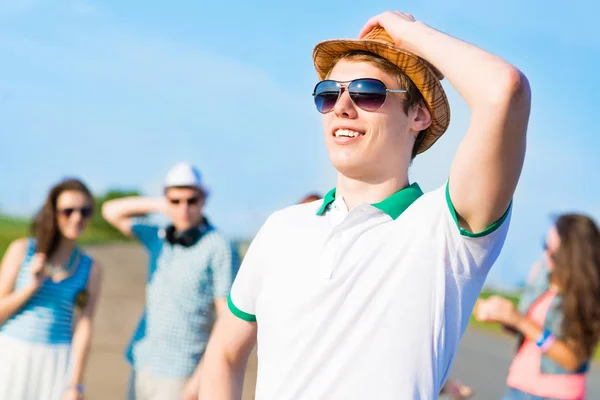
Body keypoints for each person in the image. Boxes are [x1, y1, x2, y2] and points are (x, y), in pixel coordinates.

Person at [199, 10, 530, 399]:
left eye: (366, 92)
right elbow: (223, 353)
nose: (342, 106)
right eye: (328, 94)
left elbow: (503, 89)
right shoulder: (281, 228)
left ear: (418, 115)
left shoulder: (447, 227)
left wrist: (409, 33)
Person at [102, 162, 239, 400]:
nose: (183, 209)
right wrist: (161, 205)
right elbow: (111, 211)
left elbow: (226, 321)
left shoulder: (219, 246)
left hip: (183, 371)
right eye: (176, 201)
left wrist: (199, 381)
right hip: (142, 362)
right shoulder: (159, 237)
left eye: (191, 201)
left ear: (203, 200)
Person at [475, 214, 600, 400]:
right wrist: (506, 318)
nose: (545, 254)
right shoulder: (540, 274)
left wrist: (520, 321)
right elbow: (529, 331)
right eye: (545, 244)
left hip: (557, 394)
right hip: (518, 385)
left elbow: (572, 360)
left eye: (552, 250)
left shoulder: (587, 295)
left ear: (572, 256)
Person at [0, 178, 103, 400]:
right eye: (68, 211)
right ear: (53, 213)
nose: (77, 218)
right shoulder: (22, 250)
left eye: (84, 211)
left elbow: (84, 325)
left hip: (55, 363)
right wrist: (30, 288)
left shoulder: (90, 268)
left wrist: (76, 384)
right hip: (11, 356)